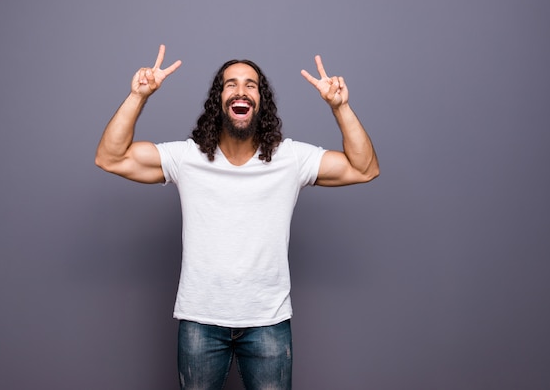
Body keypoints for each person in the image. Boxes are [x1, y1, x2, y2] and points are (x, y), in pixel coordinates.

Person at [95, 45, 379, 390]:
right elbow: (111, 158)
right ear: (219, 99)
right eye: (231, 84)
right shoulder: (187, 158)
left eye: (250, 85)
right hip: (200, 321)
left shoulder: (290, 159)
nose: (241, 91)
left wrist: (341, 107)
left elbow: (364, 169)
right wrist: (137, 96)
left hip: (268, 322)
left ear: (262, 101)